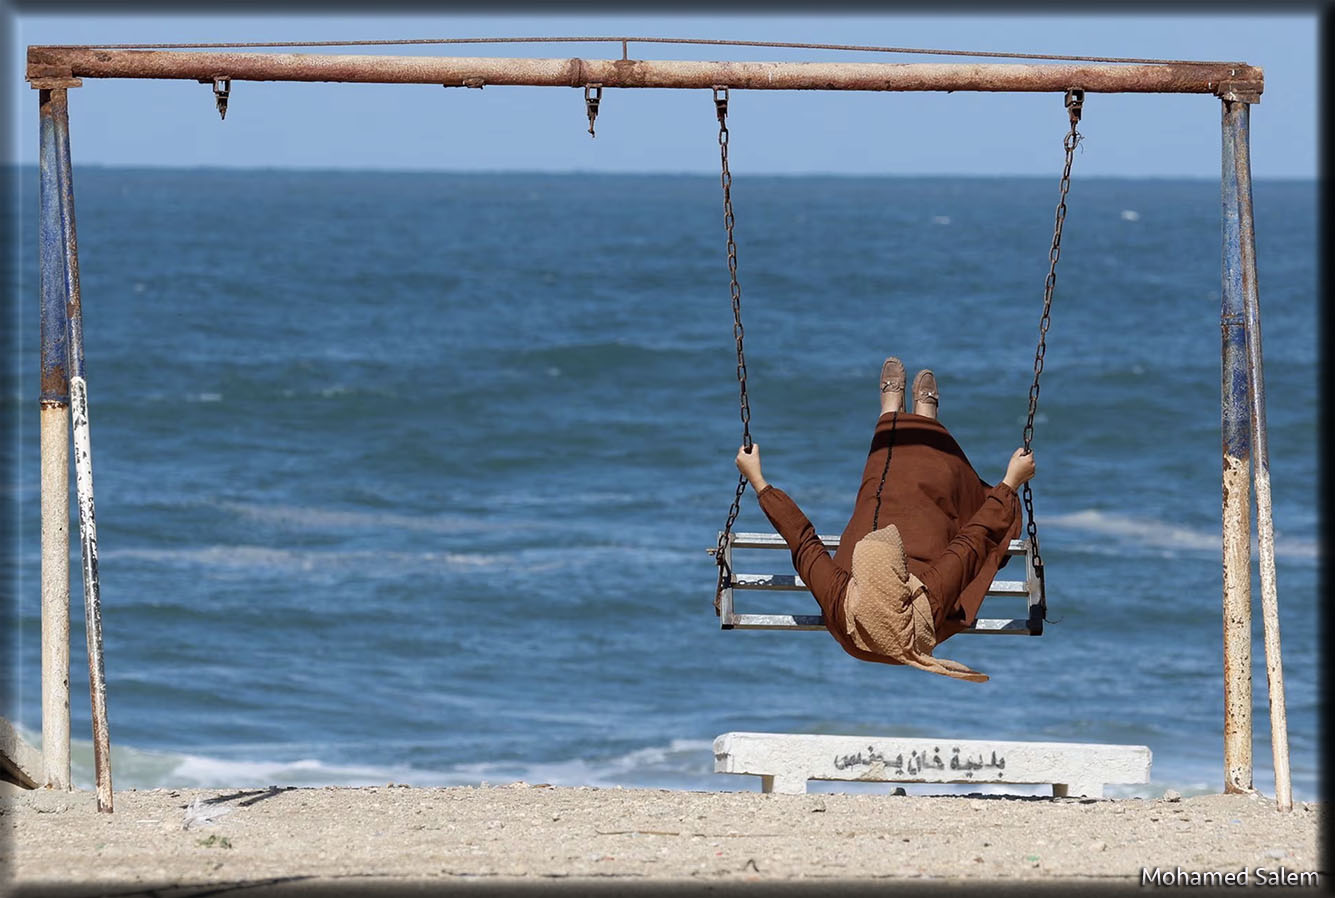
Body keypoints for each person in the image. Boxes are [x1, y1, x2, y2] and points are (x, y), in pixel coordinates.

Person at [732, 357, 1036, 682]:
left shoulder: (841, 597)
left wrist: (758, 481)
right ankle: (924, 421)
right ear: (905, 578)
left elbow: (802, 540)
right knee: (929, 506)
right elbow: (973, 540)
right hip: (917, 627)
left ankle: (891, 415)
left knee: (877, 490)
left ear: (857, 580)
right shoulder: (928, 596)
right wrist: (1009, 483)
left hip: (859, 634)